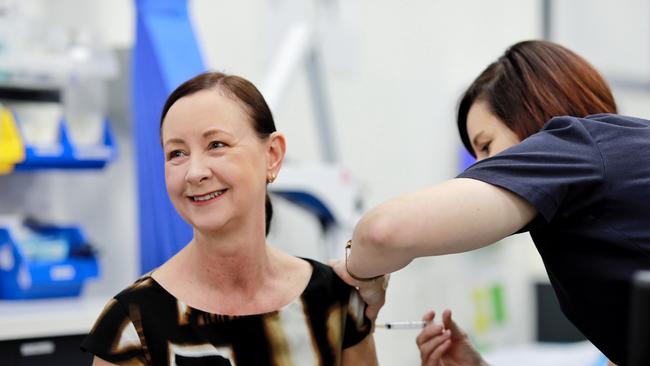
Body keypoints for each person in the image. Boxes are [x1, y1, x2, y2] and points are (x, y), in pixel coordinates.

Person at [333, 40, 650, 366]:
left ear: (534, 114)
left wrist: (356, 275)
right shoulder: (616, 169)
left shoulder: (576, 143)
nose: (481, 169)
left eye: (486, 146)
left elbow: (382, 232)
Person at [82, 72, 378, 365]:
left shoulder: (333, 301)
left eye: (216, 145)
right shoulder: (133, 324)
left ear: (272, 155)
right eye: (176, 153)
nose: (194, 172)